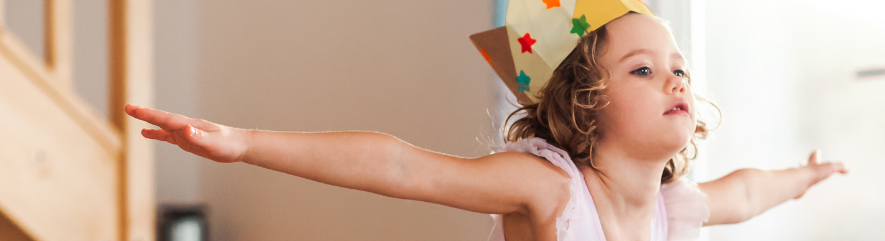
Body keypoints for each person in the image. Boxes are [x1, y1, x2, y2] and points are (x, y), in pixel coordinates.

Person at [125, 4, 848, 241]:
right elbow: (404, 166)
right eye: (642, 69)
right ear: (584, 101)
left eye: (678, 67)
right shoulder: (551, 189)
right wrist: (246, 143)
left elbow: (747, 191)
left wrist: (805, 175)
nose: (674, 78)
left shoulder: (672, 205)